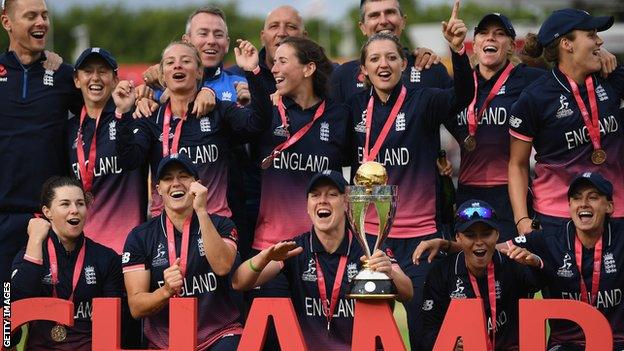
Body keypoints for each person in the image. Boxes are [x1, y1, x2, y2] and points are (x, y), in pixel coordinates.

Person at [346, 2, 474, 349]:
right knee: (371, 334)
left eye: (391, 58)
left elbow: (463, 96)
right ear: (364, 69)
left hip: (421, 240)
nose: (383, 65)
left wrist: (457, 51)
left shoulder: (425, 100)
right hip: (370, 240)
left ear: (404, 63)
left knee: (425, 331)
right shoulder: (354, 109)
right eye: (374, 59)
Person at [232, 170, 412, 350]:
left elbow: (408, 292)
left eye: (332, 194)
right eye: (315, 195)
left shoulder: (368, 248)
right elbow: (239, 282)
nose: (322, 200)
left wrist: (389, 273)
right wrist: (264, 257)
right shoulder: (296, 249)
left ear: (347, 204)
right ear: (307, 206)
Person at [112, 40, 270, 219]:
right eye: (170, 62)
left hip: (213, 224)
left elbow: (258, 123)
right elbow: (129, 160)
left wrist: (253, 72)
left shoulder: (219, 112)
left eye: (186, 61)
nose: (178, 65)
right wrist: (123, 113)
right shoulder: (151, 118)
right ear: (163, 76)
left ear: (199, 71)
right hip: (165, 229)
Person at [508, 9, 624, 235]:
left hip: (614, 212)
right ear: (567, 44)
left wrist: (616, 68)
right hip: (557, 218)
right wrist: (522, 220)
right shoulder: (535, 97)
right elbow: (517, 164)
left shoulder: (611, 80)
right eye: (591, 35)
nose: (600, 41)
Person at [121, 153, 242, 350]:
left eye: (184, 176)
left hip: (219, 335)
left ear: (197, 184)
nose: (176, 183)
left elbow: (222, 267)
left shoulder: (222, 224)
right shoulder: (139, 237)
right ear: (158, 189)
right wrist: (165, 291)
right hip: (165, 343)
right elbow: (136, 307)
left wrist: (201, 210)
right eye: (168, 178)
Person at [443, 13, 545, 241]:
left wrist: (602, 54)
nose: (491, 38)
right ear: (475, 44)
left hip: (511, 193)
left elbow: (566, 77)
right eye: (484, 33)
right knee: (472, 262)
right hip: (468, 190)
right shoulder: (461, 85)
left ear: (510, 45)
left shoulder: (528, 80)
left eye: (500, 34)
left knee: (512, 263)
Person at [0, 0, 81, 284]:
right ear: (7, 22)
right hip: (2, 217)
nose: (41, 22)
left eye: (45, 16)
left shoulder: (63, 75)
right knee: (5, 316)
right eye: (31, 15)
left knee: (48, 317)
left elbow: (104, 106)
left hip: (48, 218)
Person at [506, 172, 624, 350]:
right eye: (576, 198)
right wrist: (452, 247)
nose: (583, 204)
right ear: (569, 206)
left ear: (609, 206)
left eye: (592, 197)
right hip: (566, 344)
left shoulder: (620, 235)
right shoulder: (550, 238)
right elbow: (493, 247)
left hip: (616, 342)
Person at [419, 200, 550, 350]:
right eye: (470, 235)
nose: (479, 242)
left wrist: (536, 263)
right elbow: (427, 331)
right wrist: (448, 343)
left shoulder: (513, 263)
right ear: (458, 238)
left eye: (486, 234)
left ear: (497, 235)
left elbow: (543, 281)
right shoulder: (441, 273)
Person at [11, 176, 123, 350]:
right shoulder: (30, 253)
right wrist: (34, 239)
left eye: (80, 203)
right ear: (47, 212)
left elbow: (117, 321)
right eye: (65, 204)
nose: (75, 210)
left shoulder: (107, 258)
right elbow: (16, 305)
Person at [68, 47, 147, 254]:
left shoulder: (132, 116)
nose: (95, 78)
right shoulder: (69, 130)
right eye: (88, 72)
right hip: (83, 248)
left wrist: (124, 112)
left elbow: (133, 160)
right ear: (77, 80)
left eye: (103, 71)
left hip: (129, 248)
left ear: (114, 79)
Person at [331, 0, 452, 104]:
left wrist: (458, 51)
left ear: (403, 21)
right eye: (374, 15)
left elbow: (464, 123)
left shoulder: (430, 68)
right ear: (362, 27)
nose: (383, 21)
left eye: (390, 12)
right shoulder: (344, 76)